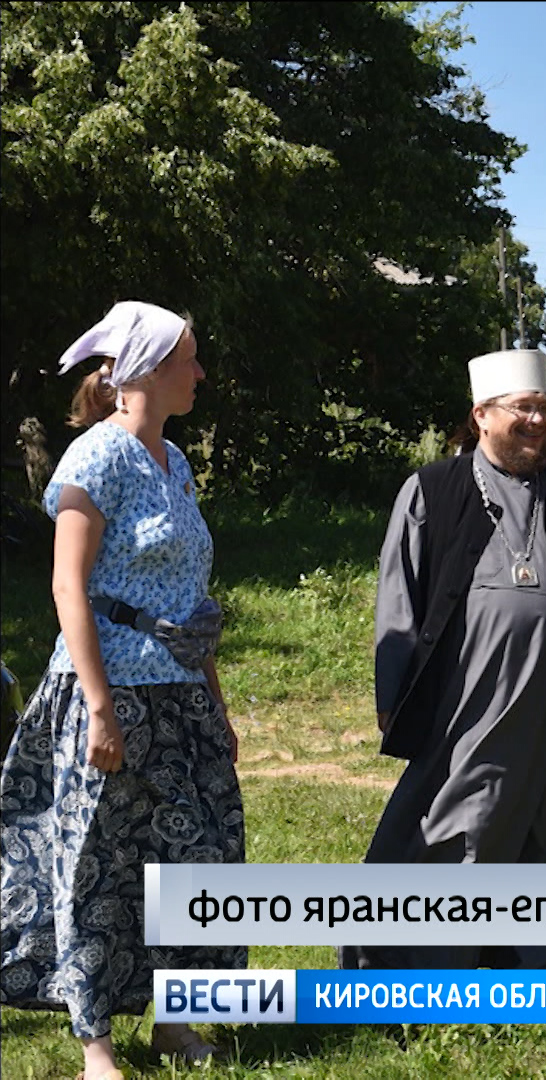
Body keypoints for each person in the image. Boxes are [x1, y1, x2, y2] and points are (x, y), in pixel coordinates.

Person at [345, 348, 546, 969]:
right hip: (469, 703)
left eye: (544, 409)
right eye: (524, 409)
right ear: (482, 416)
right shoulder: (432, 491)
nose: (538, 421)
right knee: (460, 819)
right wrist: (392, 698)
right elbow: (398, 601)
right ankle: (426, 959)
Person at [1, 302, 240, 1079]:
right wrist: (100, 707)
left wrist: (215, 697)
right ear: (143, 372)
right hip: (107, 689)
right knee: (95, 862)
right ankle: (94, 1043)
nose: (200, 373)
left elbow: (189, 596)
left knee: (194, 858)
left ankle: (174, 1021)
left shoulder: (177, 464)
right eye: (188, 360)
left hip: (180, 693)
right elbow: (68, 587)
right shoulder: (93, 459)